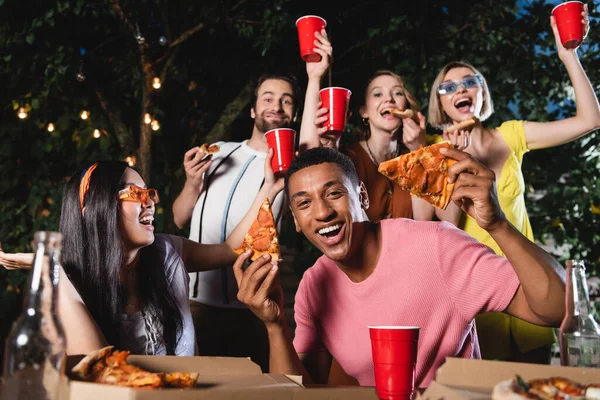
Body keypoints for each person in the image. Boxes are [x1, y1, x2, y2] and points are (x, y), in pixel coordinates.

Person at [232, 147, 566, 389]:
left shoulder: (436, 246)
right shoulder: (313, 283)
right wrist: (274, 326)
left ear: (361, 196)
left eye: (334, 194)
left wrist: (498, 225)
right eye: (304, 203)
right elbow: (299, 392)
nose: (321, 213)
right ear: (296, 220)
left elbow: (557, 309)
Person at [427, 6, 599, 364]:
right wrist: (450, 162)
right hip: (477, 296)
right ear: (440, 103)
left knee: (535, 385)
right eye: (449, 86)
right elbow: (440, 230)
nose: (461, 88)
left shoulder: (511, 135)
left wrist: (569, 56)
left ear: (482, 93)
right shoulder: (433, 154)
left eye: (470, 81)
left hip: (530, 285)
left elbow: (590, 119)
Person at [0, 156, 283, 356]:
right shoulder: (65, 288)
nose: (149, 202)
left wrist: (270, 187)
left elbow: (231, 248)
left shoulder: (167, 253)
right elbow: (102, 374)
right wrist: (51, 266)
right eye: (135, 193)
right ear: (97, 206)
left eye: (149, 193)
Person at [171, 72, 301, 371]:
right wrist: (192, 181)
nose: (276, 106)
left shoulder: (293, 167)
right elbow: (179, 218)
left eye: (286, 101)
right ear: (254, 109)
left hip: (253, 305)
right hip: (194, 302)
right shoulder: (219, 152)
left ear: (294, 114)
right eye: (267, 98)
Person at [298, 30, 464, 224]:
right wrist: (315, 78)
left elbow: (424, 221)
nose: (389, 99)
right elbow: (306, 161)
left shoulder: (418, 154)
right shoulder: (347, 156)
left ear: (406, 107)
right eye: (378, 94)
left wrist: (418, 151)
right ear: (364, 111)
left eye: (398, 93)